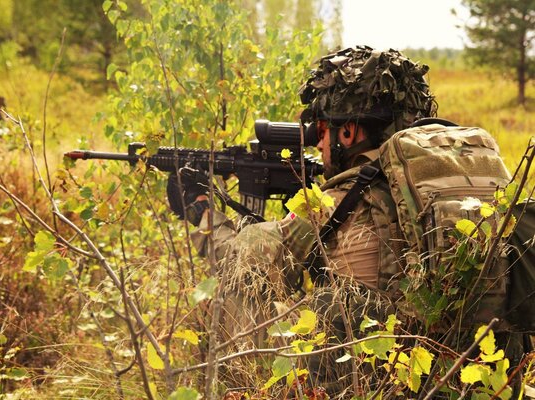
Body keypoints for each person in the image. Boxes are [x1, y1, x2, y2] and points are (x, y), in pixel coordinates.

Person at [166, 46, 524, 395]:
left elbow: (244, 263)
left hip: (382, 382)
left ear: (348, 132)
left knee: (238, 292)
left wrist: (202, 211)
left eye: (321, 130)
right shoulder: (452, 187)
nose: (318, 144)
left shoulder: (339, 199)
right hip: (476, 377)